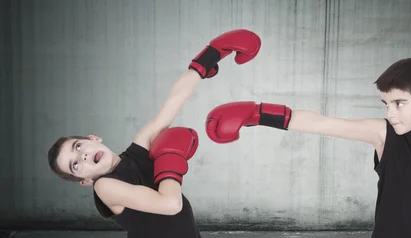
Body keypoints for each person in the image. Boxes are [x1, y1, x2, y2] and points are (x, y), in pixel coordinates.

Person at [203, 57, 411, 238]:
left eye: (399, 103)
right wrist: (258, 113)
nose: (390, 112)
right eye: (386, 103)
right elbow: (323, 123)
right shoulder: (384, 134)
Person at [46, 29, 262, 238]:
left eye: (78, 146)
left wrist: (210, 56)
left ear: (93, 138)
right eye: (75, 165)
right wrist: (171, 159)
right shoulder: (105, 186)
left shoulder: (139, 147)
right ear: (84, 181)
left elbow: (174, 100)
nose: (81, 156)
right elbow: (170, 204)